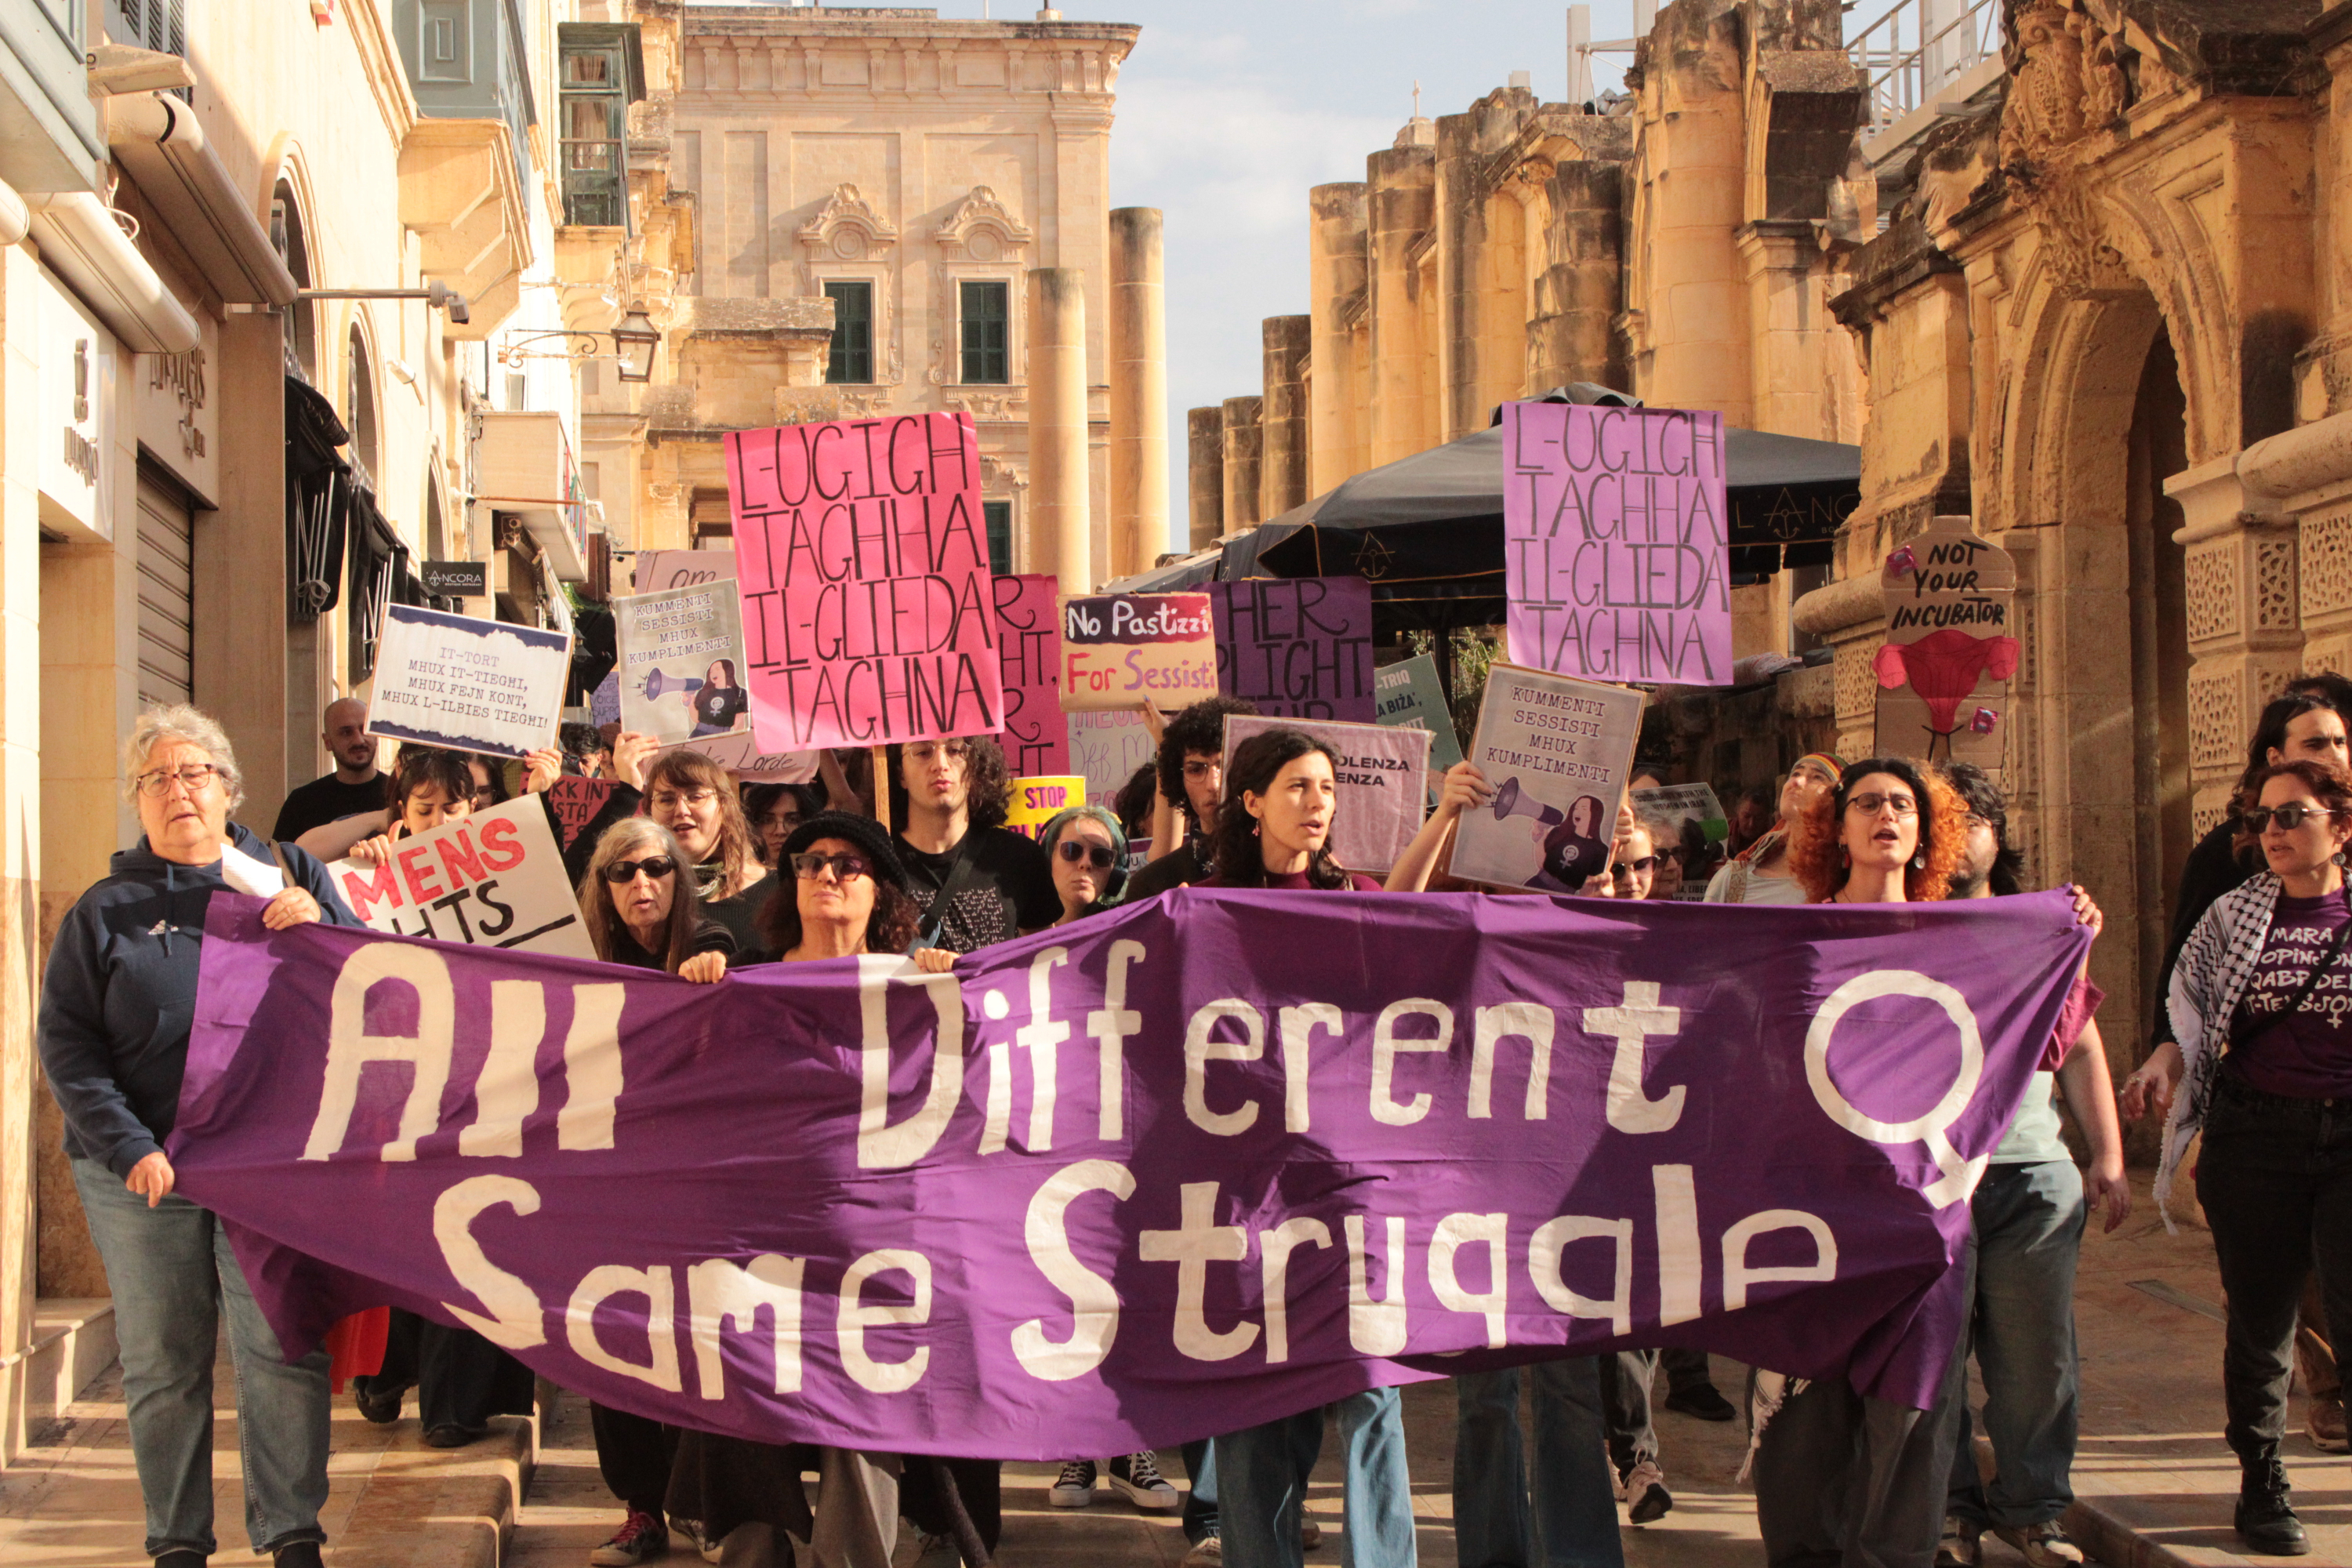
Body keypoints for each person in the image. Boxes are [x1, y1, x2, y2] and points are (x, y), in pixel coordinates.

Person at [39, 706, 361, 1568]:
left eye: (194, 773)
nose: (177, 790)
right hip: (142, 1169)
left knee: (281, 1345)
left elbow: (373, 986)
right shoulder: (103, 910)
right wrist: (127, 1144)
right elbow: (68, 1044)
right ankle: (178, 1539)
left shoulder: (287, 871)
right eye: (155, 779)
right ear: (136, 803)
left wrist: (323, 927)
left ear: (229, 788)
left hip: (267, 1163)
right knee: (163, 1359)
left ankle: (293, 1531)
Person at [665, 811, 954, 1568]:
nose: (826, 874)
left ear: (882, 894)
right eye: (811, 862)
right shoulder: (744, 982)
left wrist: (952, 997)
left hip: (869, 1266)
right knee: (745, 1437)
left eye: (848, 866)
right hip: (757, 1259)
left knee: (861, 1432)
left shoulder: (914, 983)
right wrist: (700, 982)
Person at [2127, 757, 2352, 1557]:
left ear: (2342, 826)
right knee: (2263, 1325)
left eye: (2293, 816)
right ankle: (2263, 1484)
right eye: (2262, 819)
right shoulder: (2229, 916)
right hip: (2256, 1137)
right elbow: (2186, 1022)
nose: (2273, 833)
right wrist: (2161, 1065)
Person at [1199, 730, 1412, 1568]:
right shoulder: (1198, 907)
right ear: (1251, 801)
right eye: (1297, 785)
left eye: (1327, 786)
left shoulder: (1354, 895)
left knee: (1374, 1389)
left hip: (1348, 1187)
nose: (1319, 800)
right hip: (1244, 1197)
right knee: (1257, 1404)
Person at [310, 748, 536, 1448]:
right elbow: (297, 852)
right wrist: (365, 849)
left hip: (483, 1085)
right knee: (405, 1242)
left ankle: (451, 1408)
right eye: (423, 808)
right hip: (393, 1093)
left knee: (469, 1241)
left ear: (476, 809)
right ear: (401, 813)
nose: (441, 821)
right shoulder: (364, 877)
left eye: (454, 806)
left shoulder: (512, 865)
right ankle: (390, 1368)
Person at [1934, 762, 2130, 1568]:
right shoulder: (1887, 924)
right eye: (1943, 818)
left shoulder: (2044, 926)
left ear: (1997, 831)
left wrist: (2108, 1153)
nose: (1960, 834)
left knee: (2038, 1363)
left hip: (2032, 1175)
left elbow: (2080, 1044)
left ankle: (2033, 1510)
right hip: (1931, 1184)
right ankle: (1947, 1513)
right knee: (1932, 1365)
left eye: (1972, 817)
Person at [574, 817, 731, 1566]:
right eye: (623, 872)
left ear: (680, 878)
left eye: (657, 869)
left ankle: (700, 1502)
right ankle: (641, 1508)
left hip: (696, 1187)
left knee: (696, 1347)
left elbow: (737, 955)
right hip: (605, 1187)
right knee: (613, 1345)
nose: (642, 884)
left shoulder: (716, 944)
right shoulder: (571, 962)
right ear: (602, 888)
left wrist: (710, 963)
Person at [1030, 804, 1182, 1516]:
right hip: (1053, 1140)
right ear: (1050, 861)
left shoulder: (1141, 932)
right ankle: (1076, 1451)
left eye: (1100, 855)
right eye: (1071, 852)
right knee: (1067, 1296)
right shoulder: (1021, 949)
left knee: (1129, 1293)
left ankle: (1132, 1446)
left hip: (1129, 1141)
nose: (1085, 867)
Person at [888, 735, 1058, 953]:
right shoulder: (875, 865)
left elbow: (1043, 961)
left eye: (955, 751)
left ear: (974, 765)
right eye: (922, 753)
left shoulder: (1020, 857)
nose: (940, 765)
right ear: (900, 773)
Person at [635, 750, 773, 958]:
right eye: (666, 799)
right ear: (648, 812)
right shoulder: (638, 893)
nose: (682, 810)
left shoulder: (781, 891)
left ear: (724, 806)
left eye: (696, 796)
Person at [1127, 695, 1261, 901]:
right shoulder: (1153, 885)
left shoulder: (1290, 866)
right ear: (1178, 779)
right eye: (1196, 769)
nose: (1213, 784)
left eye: (1224, 765)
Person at [1703, 752, 1845, 906]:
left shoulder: (1845, 887)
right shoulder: (1732, 879)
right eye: (1796, 773)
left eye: (1817, 777)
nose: (1797, 781)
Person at [270, 695, 384, 842]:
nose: (359, 740)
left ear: (376, 737)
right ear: (328, 742)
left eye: (364, 730)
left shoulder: (400, 796)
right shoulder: (302, 803)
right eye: (346, 732)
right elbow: (281, 862)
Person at [744, 780, 825, 866]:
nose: (780, 831)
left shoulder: (823, 876)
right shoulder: (741, 876)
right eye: (767, 820)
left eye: (792, 820)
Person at [687, 658, 749, 736]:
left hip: (722, 736)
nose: (713, 673)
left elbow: (739, 721)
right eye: (711, 671)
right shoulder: (704, 692)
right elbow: (696, 719)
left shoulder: (739, 693)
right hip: (699, 734)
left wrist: (739, 738)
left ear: (727, 670)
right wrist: (691, 703)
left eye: (717, 669)